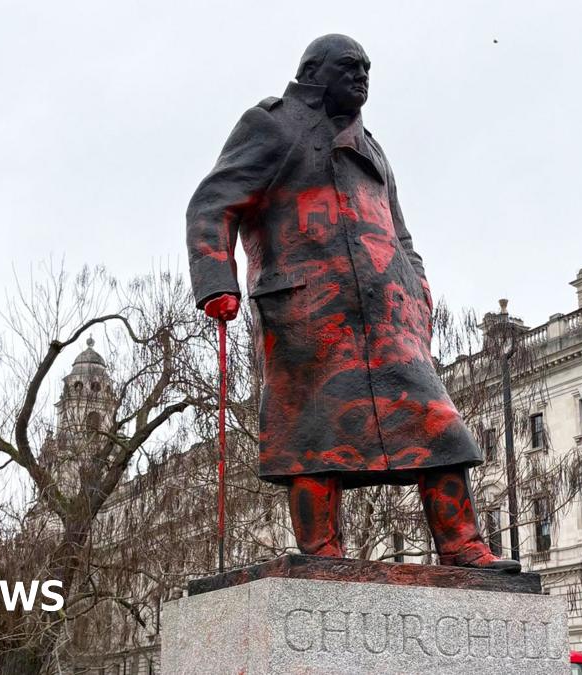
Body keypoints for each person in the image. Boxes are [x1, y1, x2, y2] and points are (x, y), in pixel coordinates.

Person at [187, 34, 518, 571]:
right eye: (350, 68)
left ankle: (462, 544)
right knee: (310, 433)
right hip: (306, 313)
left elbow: (400, 232)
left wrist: (418, 294)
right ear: (315, 72)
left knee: (438, 426)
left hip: (388, 317)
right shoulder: (270, 125)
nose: (363, 77)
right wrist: (215, 281)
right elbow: (212, 203)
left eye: (367, 68)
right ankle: (322, 552)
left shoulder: (374, 146)